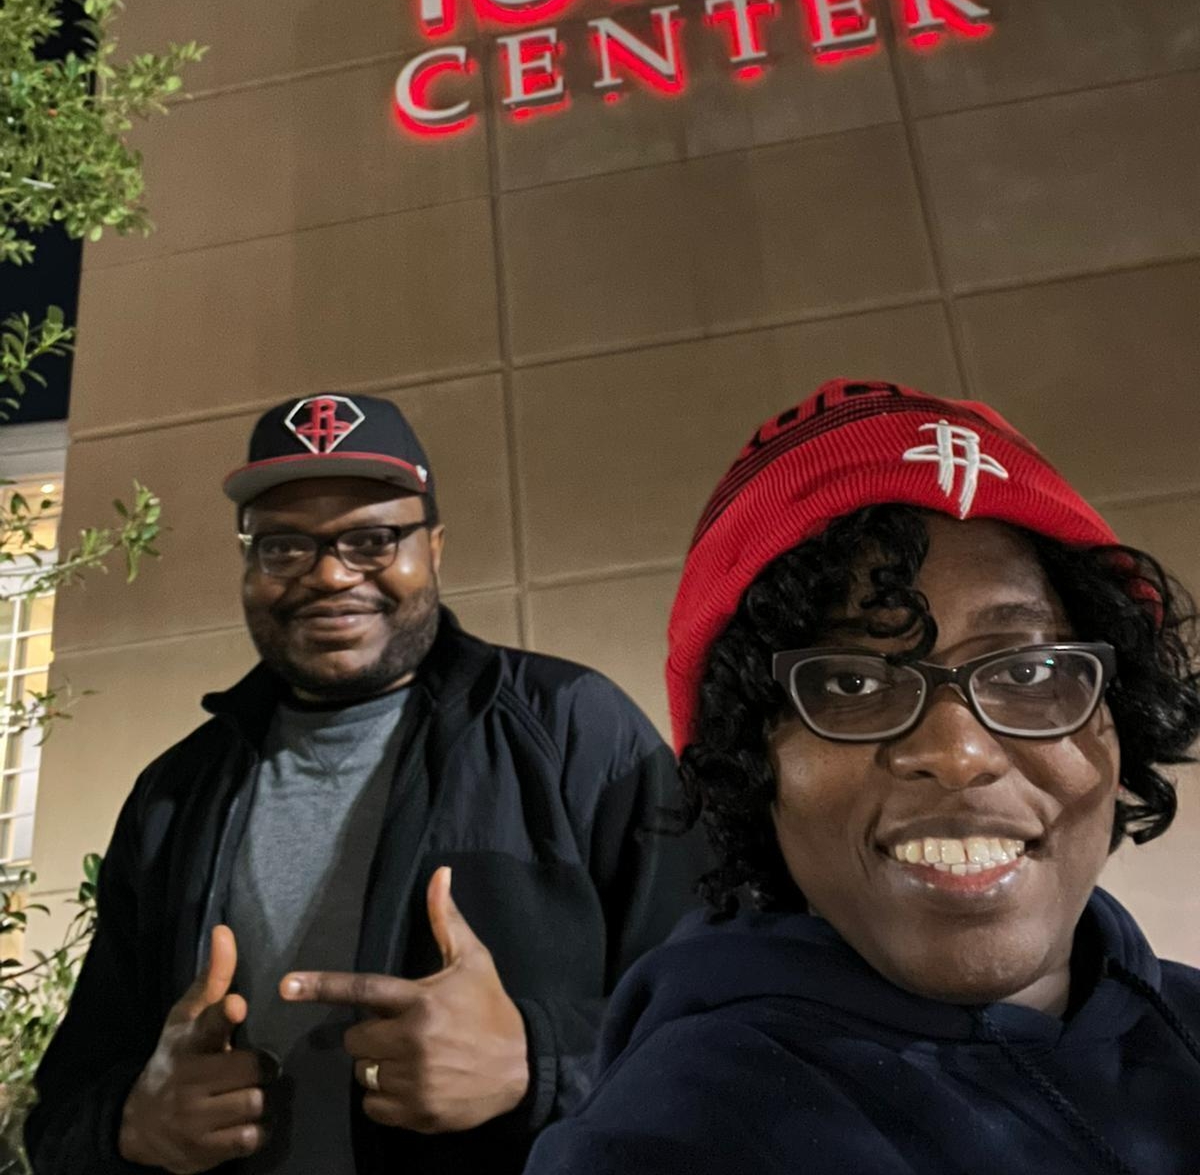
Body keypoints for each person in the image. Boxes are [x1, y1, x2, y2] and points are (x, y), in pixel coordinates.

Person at [526, 378, 1200, 1175]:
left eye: (1027, 671)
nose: (959, 753)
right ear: (749, 766)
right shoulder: (679, 1129)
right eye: (852, 682)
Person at [26, 392, 701, 1175]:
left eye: (374, 540)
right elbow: (65, 1107)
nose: (329, 574)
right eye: (284, 546)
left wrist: (535, 1063)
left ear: (434, 549)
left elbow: (728, 1009)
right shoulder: (175, 796)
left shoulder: (573, 730)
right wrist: (132, 1123)